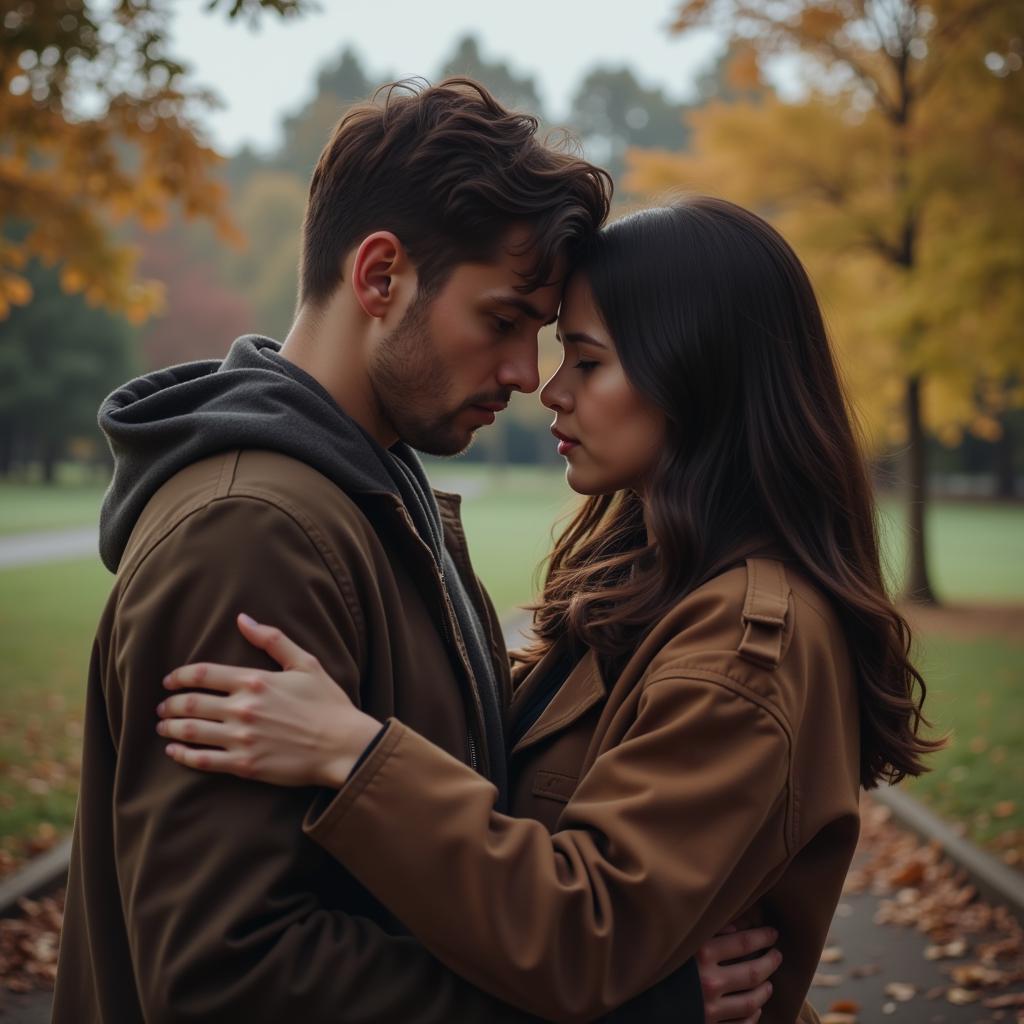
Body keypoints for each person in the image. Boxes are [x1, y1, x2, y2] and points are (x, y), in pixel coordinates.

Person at [53, 79, 774, 1024]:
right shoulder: (254, 534)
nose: (527, 376)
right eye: (504, 320)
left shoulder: (370, 493)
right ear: (381, 276)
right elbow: (225, 976)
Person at [157, 197, 941, 1023]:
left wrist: (355, 757)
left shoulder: (746, 650)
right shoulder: (653, 584)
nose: (549, 388)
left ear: (697, 378)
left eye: (588, 361)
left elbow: (587, 932)